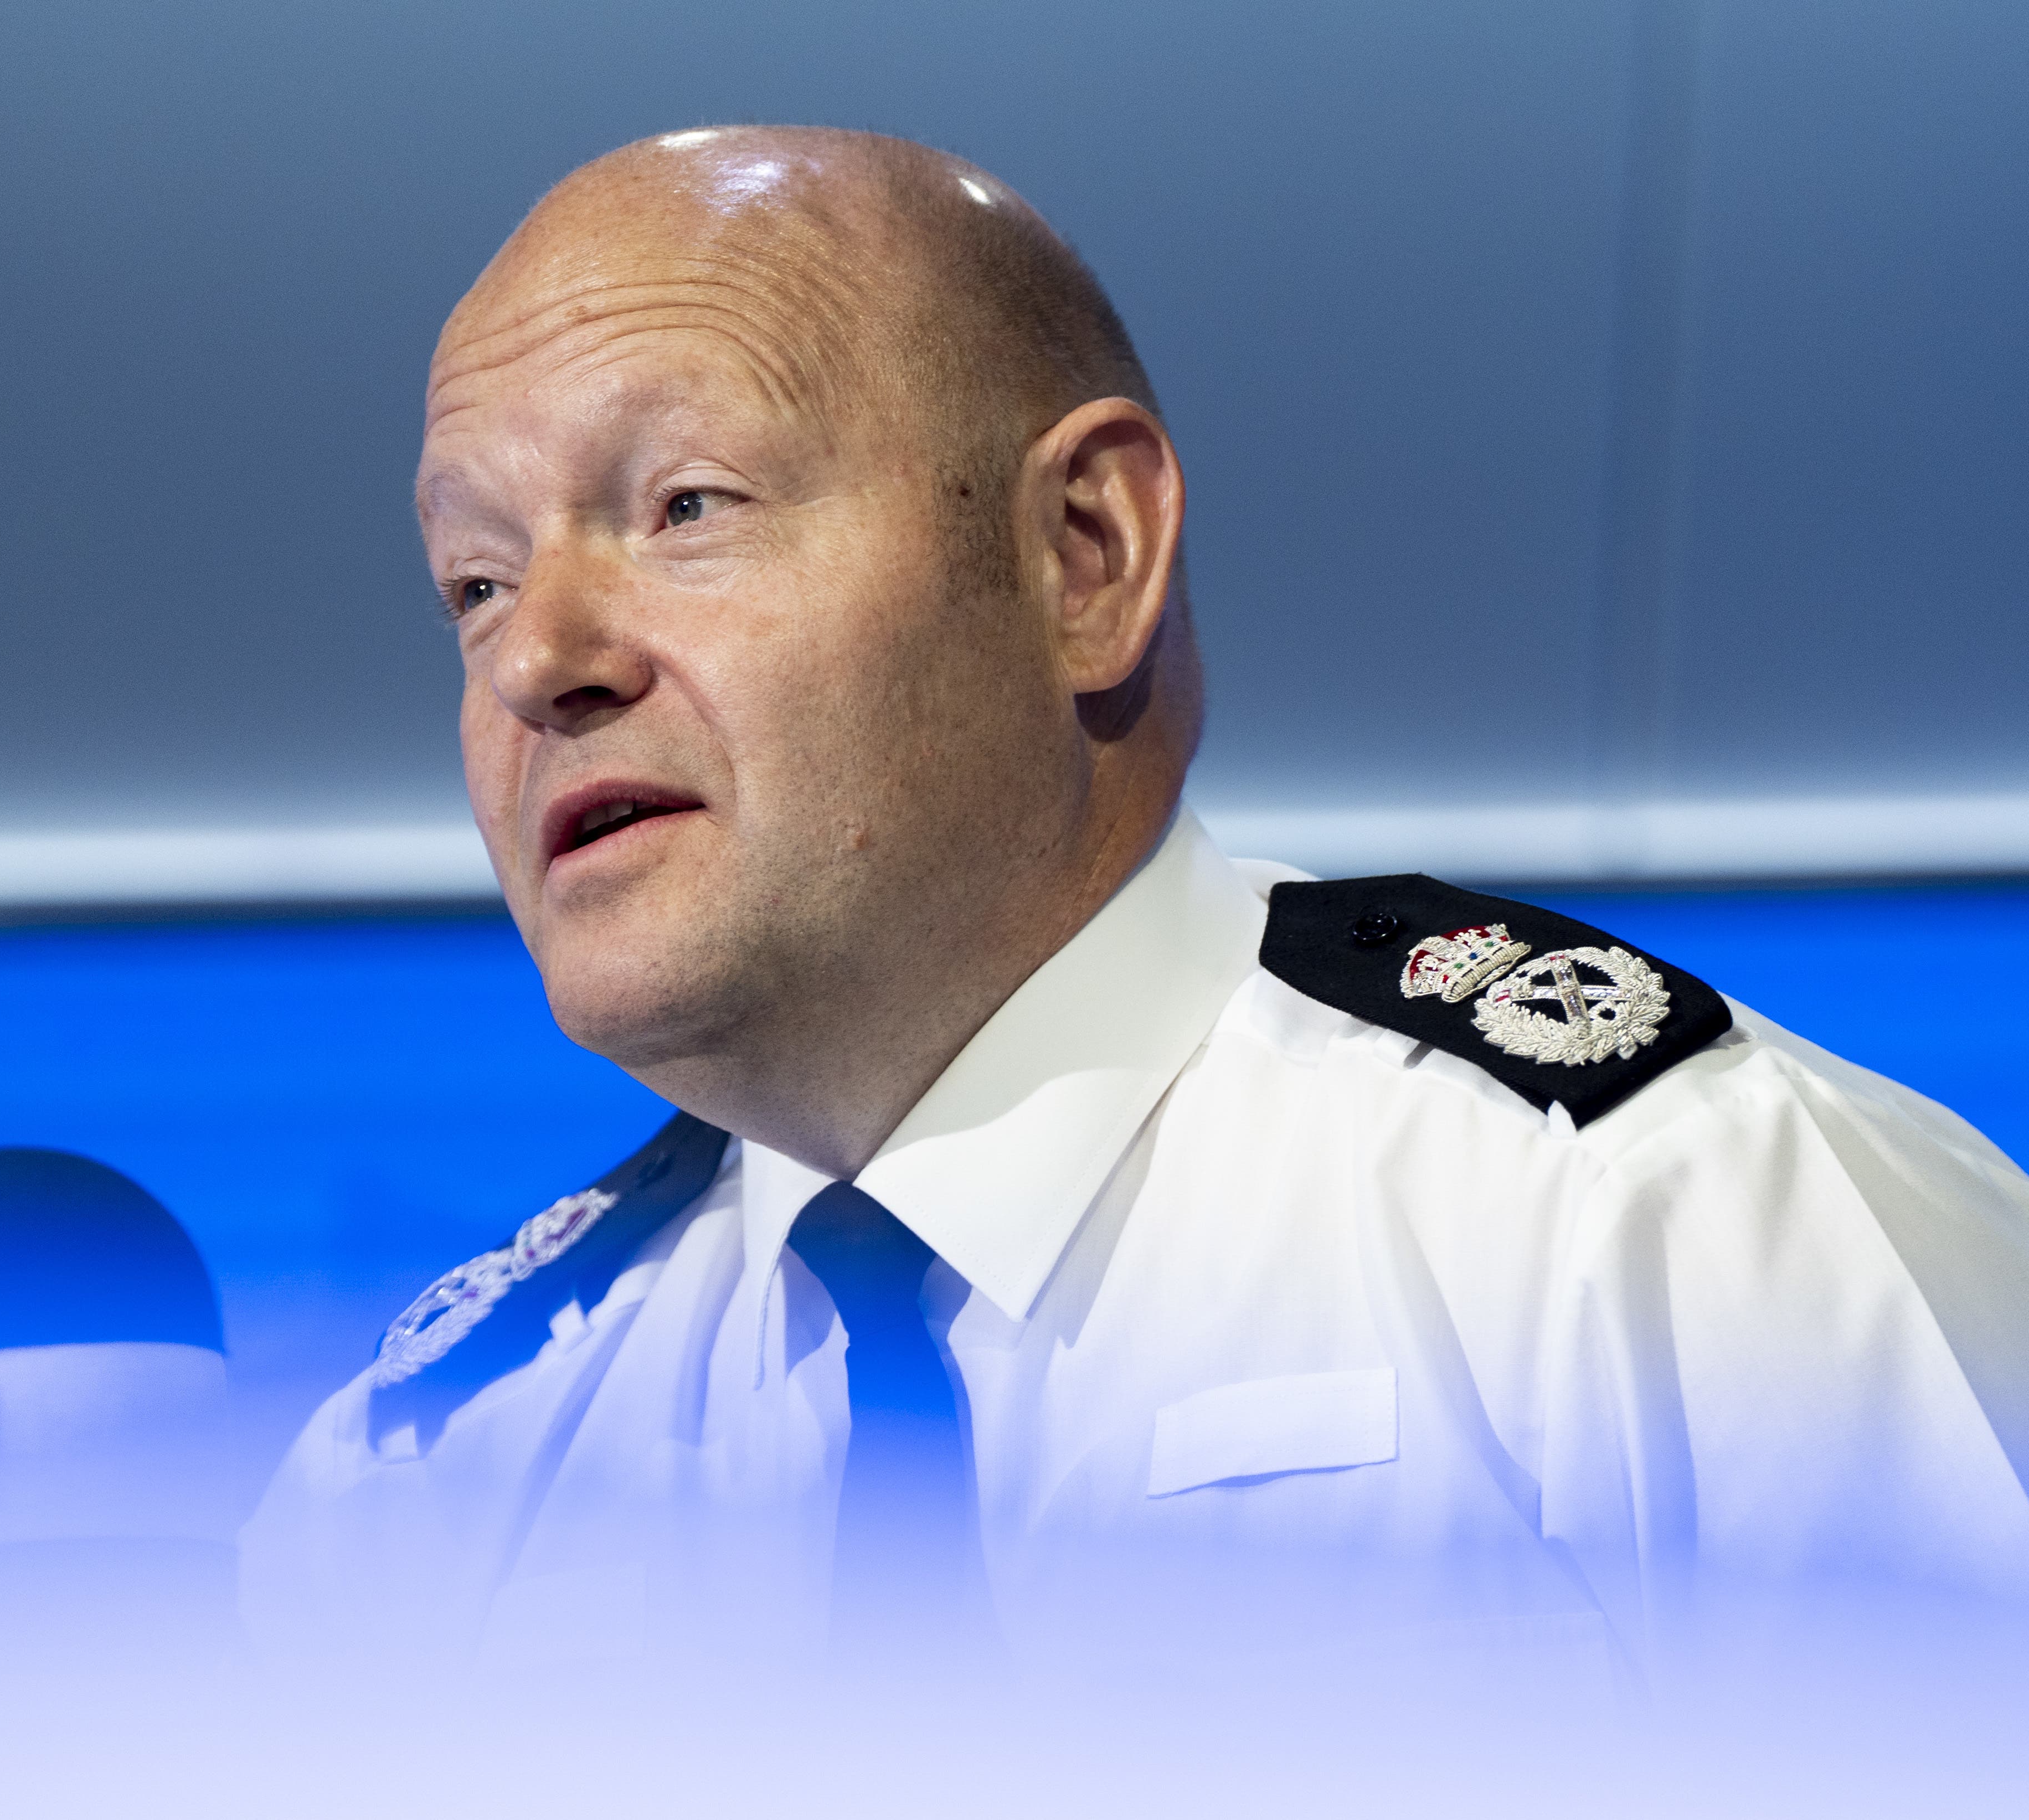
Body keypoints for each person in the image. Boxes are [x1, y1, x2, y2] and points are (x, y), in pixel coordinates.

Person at [241, 127, 2029, 1697]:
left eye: (685, 506)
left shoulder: (1670, 1238)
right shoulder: (430, 1484)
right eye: (474, 584)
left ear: (1084, 555)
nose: (536, 663)